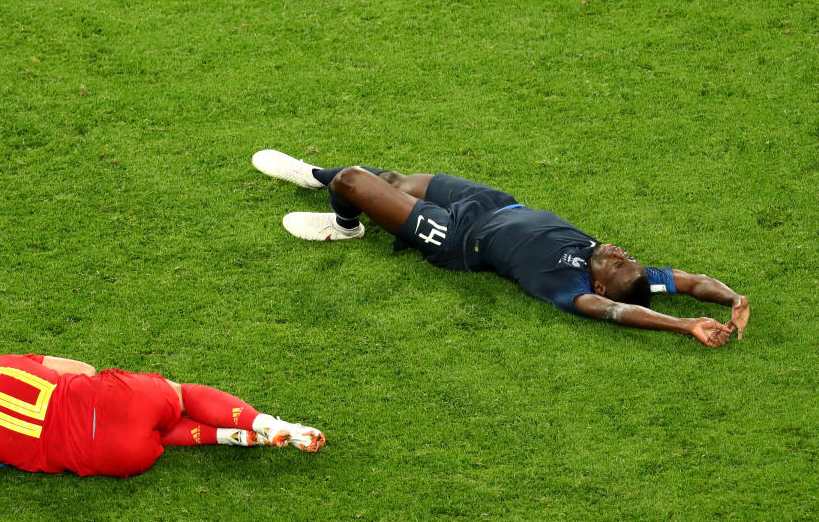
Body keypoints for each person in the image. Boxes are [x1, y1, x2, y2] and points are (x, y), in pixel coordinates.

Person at [252, 149, 749, 348]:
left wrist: (683, 325)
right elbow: (690, 281)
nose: (618, 251)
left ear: (598, 284)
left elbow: (615, 312)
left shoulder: (573, 288)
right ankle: (319, 179)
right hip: (492, 203)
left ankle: (345, 226)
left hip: (458, 239)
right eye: (625, 255)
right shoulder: (636, 275)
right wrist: (731, 300)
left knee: (357, 181)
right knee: (393, 179)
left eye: (616, 262)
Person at [0, 354, 325, 477]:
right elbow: (83, 370)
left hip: (109, 456)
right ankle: (265, 424)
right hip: (111, 400)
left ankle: (224, 437)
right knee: (179, 396)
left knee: (152, 435)